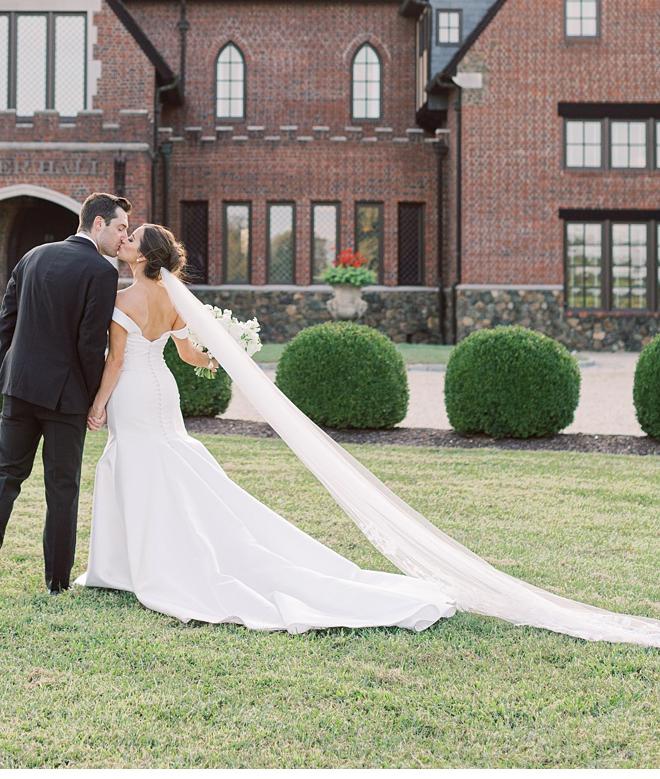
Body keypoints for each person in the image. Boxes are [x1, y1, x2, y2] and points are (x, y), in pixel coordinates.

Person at [76, 224, 456, 633]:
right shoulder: (173, 297)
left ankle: (131, 565)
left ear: (144, 257)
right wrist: (219, 358)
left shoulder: (121, 300)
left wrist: (97, 405)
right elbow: (188, 354)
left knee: (138, 465)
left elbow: (116, 361)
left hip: (132, 390)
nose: (124, 240)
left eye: (132, 238)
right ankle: (150, 556)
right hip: (163, 390)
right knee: (167, 462)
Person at [0, 192, 130, 599]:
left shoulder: (32, 256)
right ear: (98, 223)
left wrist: (11, 371)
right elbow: (90, 344)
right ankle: (57, 582)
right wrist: (93, 399)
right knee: (62, 488)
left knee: (6, 476)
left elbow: (6, 323)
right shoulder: (101, 271)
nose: (124, 237)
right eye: (120, 227)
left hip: (18, 389)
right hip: (66, 398)